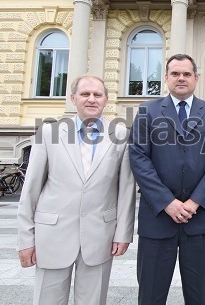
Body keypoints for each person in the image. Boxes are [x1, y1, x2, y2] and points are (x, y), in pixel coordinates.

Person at [17, 74, 136, 304]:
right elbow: (30, 191)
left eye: (97, 95)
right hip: (52, 235)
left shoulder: (120, 136)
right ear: (73, 98)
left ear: (105, 100)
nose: (91, 99)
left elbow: (126, 190)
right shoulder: (49, 133)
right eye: (85, 94)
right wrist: (26, 240)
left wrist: (123, 233)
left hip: (100, 236)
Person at [129, 54, 205, 305]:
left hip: (198, 219)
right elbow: (139, 158)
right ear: (166, 78)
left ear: (196, 78)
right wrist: (167, 202)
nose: (181, 78)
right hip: (158, 217)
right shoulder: (147, 111)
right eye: (175, 73)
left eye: (186, 74)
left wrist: (195, 201)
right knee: (151, 293)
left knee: (198, 295)